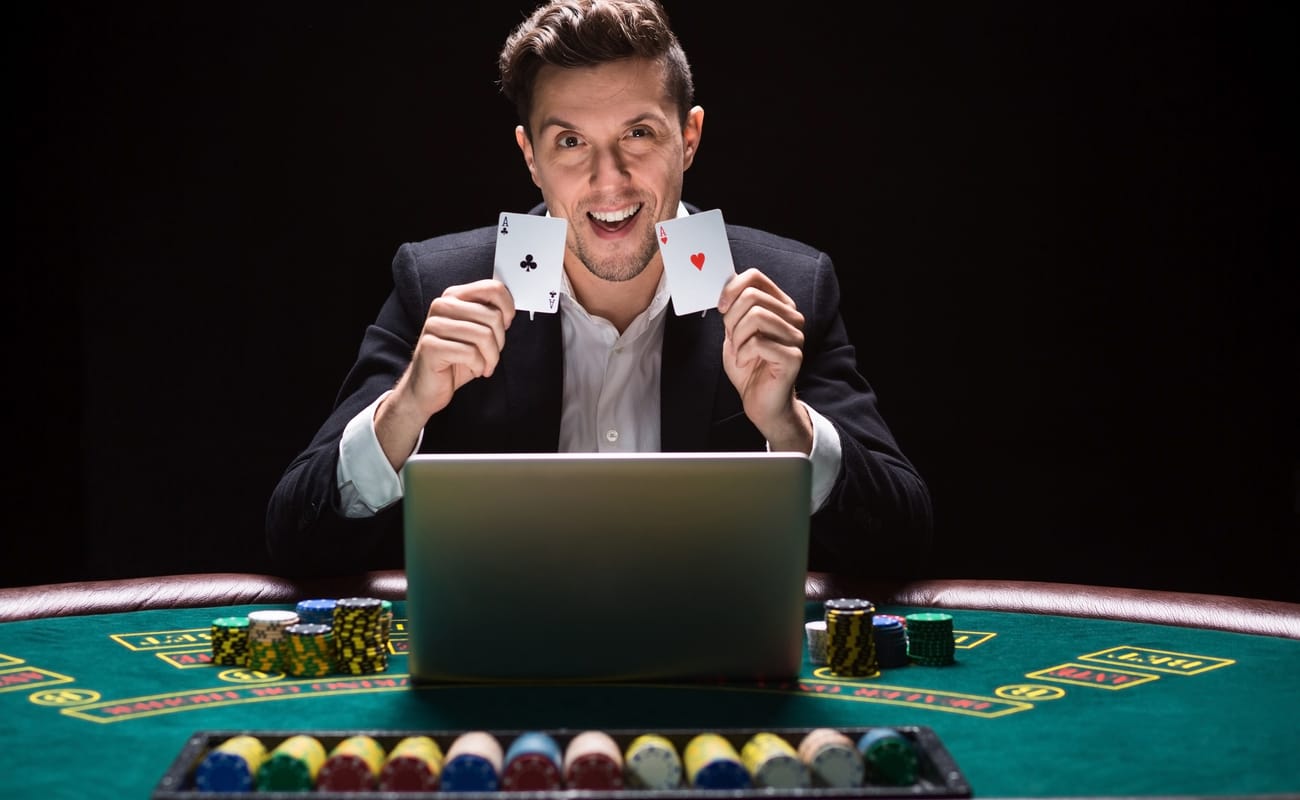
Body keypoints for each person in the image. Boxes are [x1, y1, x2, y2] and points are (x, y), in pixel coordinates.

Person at [266, 0, 932, 576]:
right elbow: (296, 539)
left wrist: (788, 428)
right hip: (502, 683)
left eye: (638, 134)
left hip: (715, 684)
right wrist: (406, 410)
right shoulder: (437, 284)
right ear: (531, 156)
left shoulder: (789, 288)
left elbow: (903, 542)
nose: (609, 182)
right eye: (571, 143)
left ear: (689, 137)